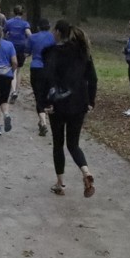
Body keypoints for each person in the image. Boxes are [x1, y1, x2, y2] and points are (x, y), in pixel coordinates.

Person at [44, 20, 99, 197]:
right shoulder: (84, 53)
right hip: (79, 103)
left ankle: (60, 184)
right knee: (73, 144)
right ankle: (86, 172)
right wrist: (91, 101)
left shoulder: (54, 52)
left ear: (58, 33)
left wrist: (46, 102)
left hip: (59, 104)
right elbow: (93, 79)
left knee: (58, 144)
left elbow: (48, 79)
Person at [27, 17, 57, 137]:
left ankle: (43, 122)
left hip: (36, 67)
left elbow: (27, 51)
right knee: (48, 94)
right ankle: (45, 120)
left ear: (38, 27)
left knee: (38, 95)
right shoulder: (54, 38)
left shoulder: (32, 37)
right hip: (50, 68)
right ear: (49, 27)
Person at [4, 6, 32, 101]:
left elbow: (4, 33)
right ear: (22, 13)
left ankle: (11, 90)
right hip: (21, 48)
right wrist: (29, 44)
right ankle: (16, 91)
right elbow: (29, 34)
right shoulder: (25, 24)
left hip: (10, 47)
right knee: (19, 70)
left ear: (13, 12)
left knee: (11, 69)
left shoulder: (8, 22)